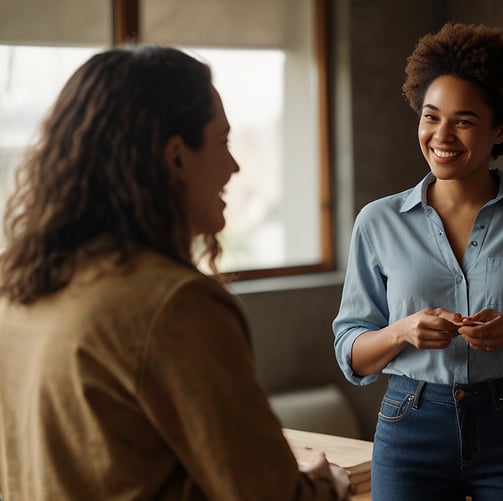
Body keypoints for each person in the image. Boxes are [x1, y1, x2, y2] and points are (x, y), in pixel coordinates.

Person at [0, 45, 349, 500]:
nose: (234, 165)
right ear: (177, 157)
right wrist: (326, 485)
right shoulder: (175, 304)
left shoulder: (17, 286)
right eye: (223, 142)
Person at [332, 22, 503, 500]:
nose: (442, 135)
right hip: (409, 425)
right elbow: (350, 349)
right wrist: (401, 331)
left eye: (464, 120)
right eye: (431, 116)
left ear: (500, 130)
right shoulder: (377, 222)